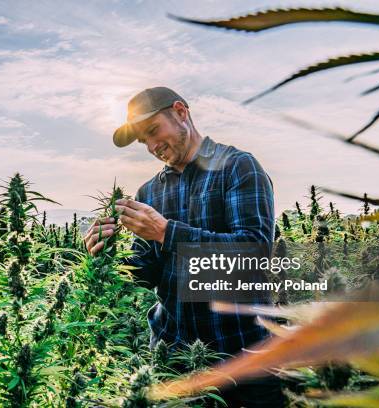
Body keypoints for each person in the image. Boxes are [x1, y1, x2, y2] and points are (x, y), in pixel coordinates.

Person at [83, 87, 285, 407]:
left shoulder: (238, 167)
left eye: (153, 131)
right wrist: (108, 254)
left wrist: (167, 233)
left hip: (242, 356)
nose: (151, 146)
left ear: (180, 112)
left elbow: (255, 252)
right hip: (173, 359)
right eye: (143, 141)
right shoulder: (149, 192)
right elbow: (145, 273)